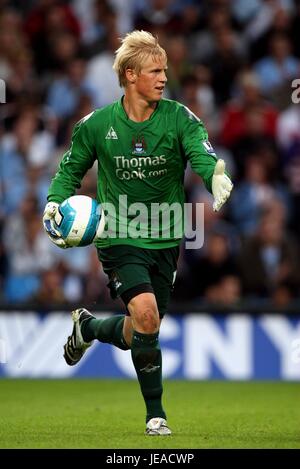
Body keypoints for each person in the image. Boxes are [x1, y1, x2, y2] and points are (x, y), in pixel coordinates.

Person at [42, 30, 233, 436]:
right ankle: (155, 416)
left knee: (141, 329)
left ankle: (88, 328)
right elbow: (70, 170)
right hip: (118, 235)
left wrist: (213, 176)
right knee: (145, 313)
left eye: (164, 70)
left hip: (166, 238)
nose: (164, 78)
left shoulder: (180, 118)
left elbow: (201, 153)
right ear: (130, 75)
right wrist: (55, 200)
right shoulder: (97, 125)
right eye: (155, 71)